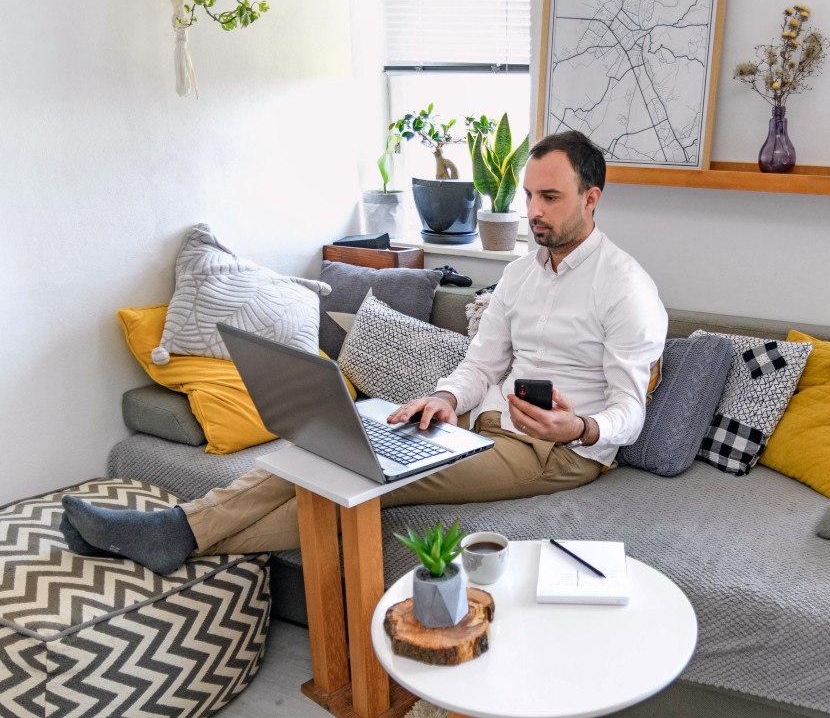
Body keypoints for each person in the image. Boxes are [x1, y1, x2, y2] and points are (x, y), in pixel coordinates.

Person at [60, 130, 669, 574]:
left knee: (373, 476)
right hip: (484, 421)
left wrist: (579, 426)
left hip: (556, 452)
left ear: (591, 199)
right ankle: (174, 536)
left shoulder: (625, 288)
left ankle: (177, 533)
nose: (533, 212)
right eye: (529, 195)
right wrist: (443, 397)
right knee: (335, 444)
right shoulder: (521, 272)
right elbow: (482, 363)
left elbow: (629, 412)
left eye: (551, 199)